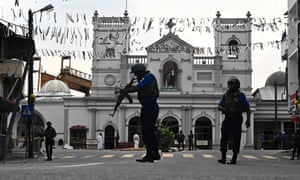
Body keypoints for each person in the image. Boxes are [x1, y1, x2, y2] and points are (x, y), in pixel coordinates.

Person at [120, 63, 160, 163]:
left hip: (150, 107)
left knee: (147, 131)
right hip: (147, 107)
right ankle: (154, 154)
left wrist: (126, 90)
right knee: (148, 131)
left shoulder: (148, 77)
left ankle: (151, 154)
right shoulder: (145, 78)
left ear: (140, 72)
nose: (136, 76)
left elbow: (139, 87)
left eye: (136, 74)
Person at [217, 77, 250, 165]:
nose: (230, 86)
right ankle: (223, 157)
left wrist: (248, 120)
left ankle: (234, 158)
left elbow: (247, 108)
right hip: (227, 118)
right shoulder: (225, 95)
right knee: (224, 137)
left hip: (237, 118)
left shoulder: (241, 96)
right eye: (230, 84)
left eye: (233, 84)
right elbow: (219, 105)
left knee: (236, 138)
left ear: (237, 86)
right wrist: (222, 108)